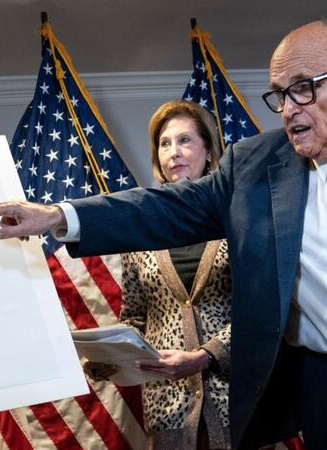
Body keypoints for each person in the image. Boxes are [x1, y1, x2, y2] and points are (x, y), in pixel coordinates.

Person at [0, 16, 327, 450]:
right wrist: (57, 215)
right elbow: (163, 208)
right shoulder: (255, 167)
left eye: (303, 89)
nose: (288, 109)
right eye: (279, 94)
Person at [85, 99, 232, 450]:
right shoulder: (142, 230)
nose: (174, 152)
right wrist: (111, 358)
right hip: (168, 407)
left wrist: (207, 355)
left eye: (185, 140)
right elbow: (135, 317)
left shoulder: (237, 218)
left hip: (236, 400)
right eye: (165, 144)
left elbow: (261, 312)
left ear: (209, 151)